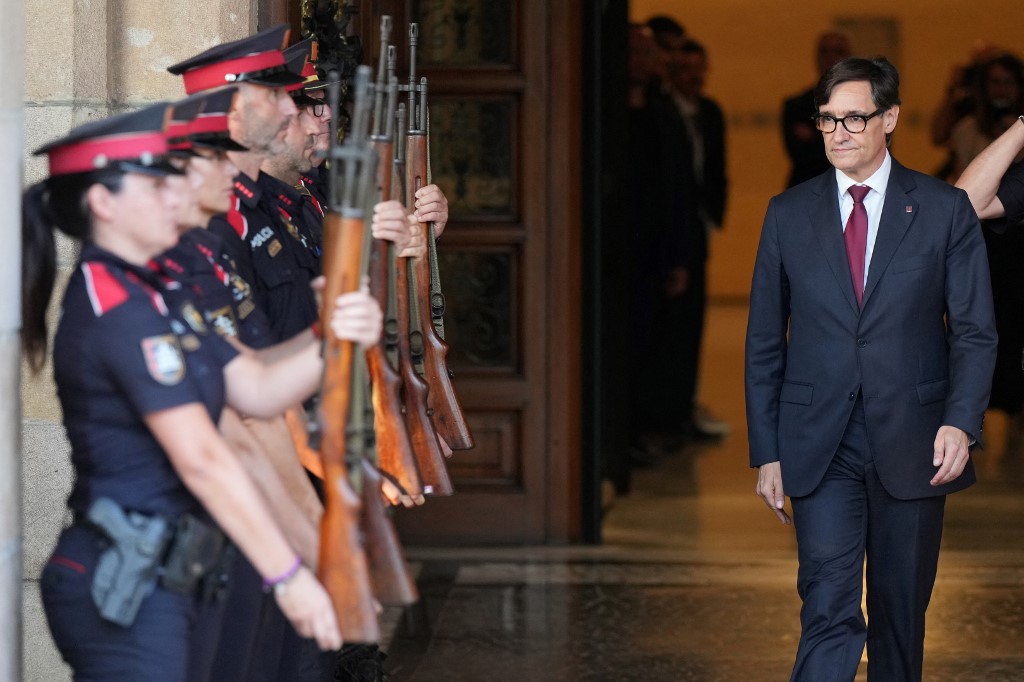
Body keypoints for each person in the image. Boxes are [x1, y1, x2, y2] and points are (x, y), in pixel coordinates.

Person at [24, 103, 386, 680]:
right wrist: (292, 575)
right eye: (156, 183)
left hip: (182, 570)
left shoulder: (160, 292)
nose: (176, 196)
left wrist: (333, 335)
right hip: (131, 581)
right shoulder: (116, 308)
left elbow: (257, 387)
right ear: (103, 204)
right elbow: (203, 458)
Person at [746, 57, 997, 680]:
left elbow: (973, 330)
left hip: (914, 440)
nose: (839, 133)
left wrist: (961, 423)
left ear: (890, 118)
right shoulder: (787, 214)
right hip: (818, 442)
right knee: (827, 607)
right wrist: (767, 450)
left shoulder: (943, 210)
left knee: (899, 615)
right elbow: (763, 342)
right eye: (828, 119)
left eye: (854, 118)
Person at [781, 30, 852, 188]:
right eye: (824, 52)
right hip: (807, 192)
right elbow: (802, 157)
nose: (831, 58)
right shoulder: (797, 106)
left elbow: (874, 157)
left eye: (837, 52)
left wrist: (816, 137)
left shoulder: (867, 107)